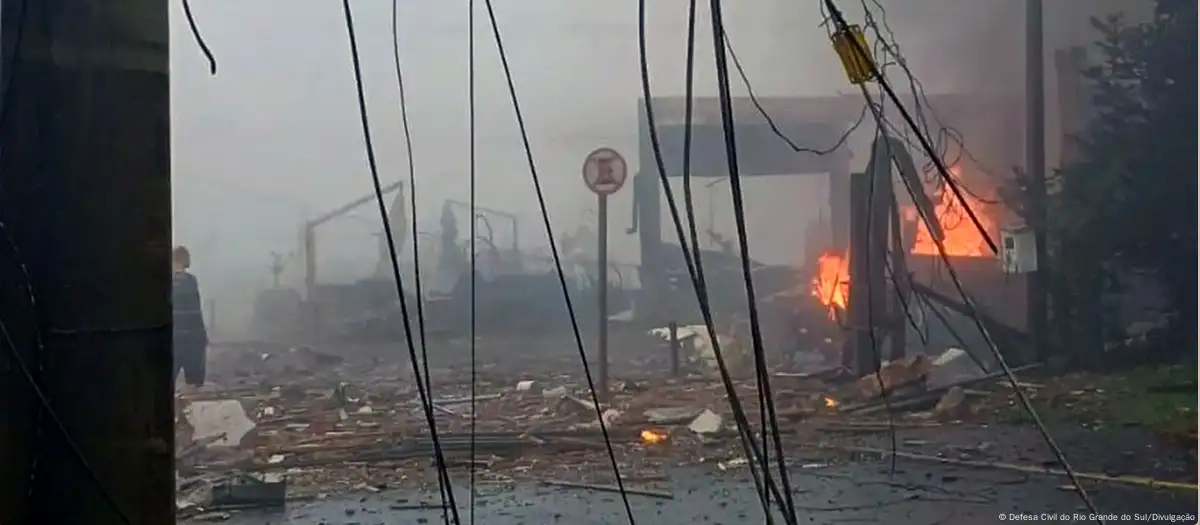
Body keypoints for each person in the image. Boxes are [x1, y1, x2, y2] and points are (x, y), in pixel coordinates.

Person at [173, 245, 209, 391]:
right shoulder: (190, 281)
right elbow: (195, 311)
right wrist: (201, 335)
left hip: (174, 338)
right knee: (193, 382)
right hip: (190, 338)